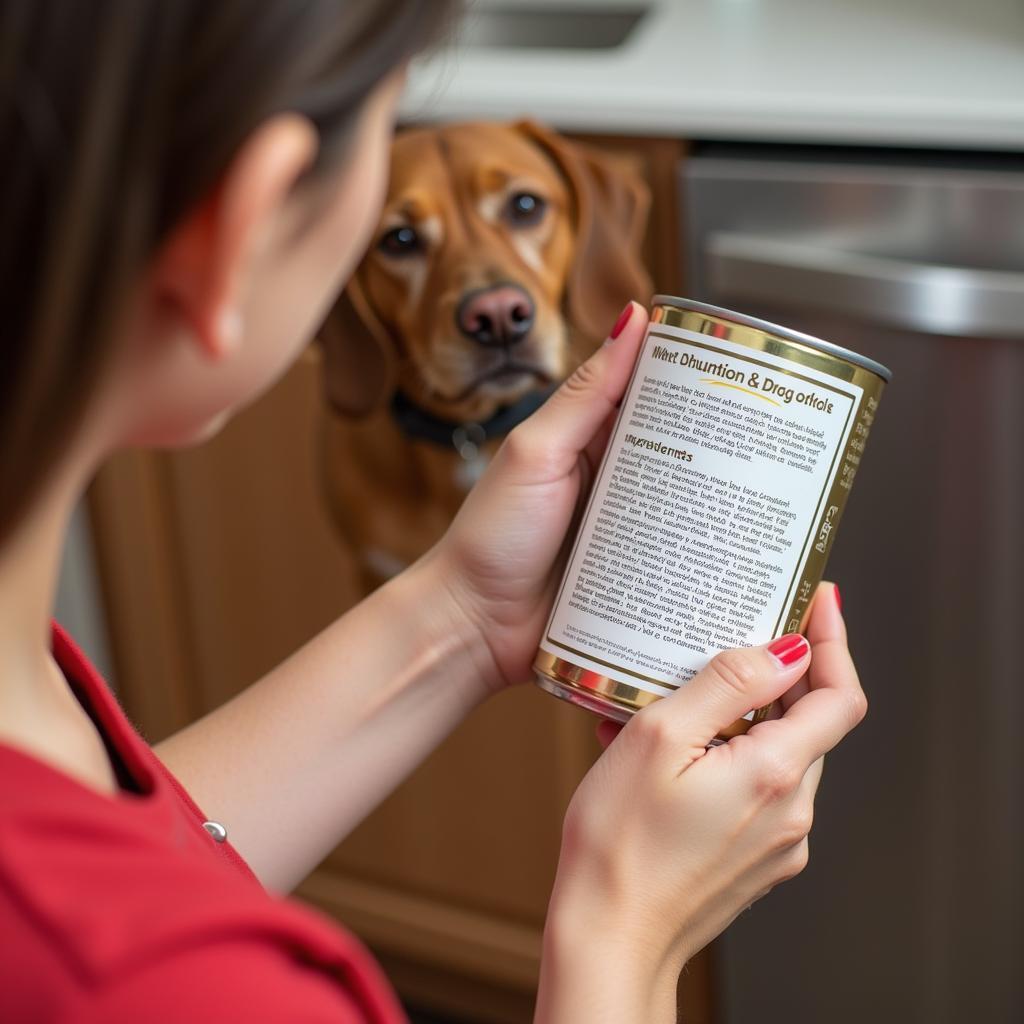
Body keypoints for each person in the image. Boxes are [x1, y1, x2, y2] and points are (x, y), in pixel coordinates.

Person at [0, 2, 867, 1021]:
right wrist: (622, 932)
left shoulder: (37, 692)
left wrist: (462, 616)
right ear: (249, 216)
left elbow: (130, 856)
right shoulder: (199, 992)